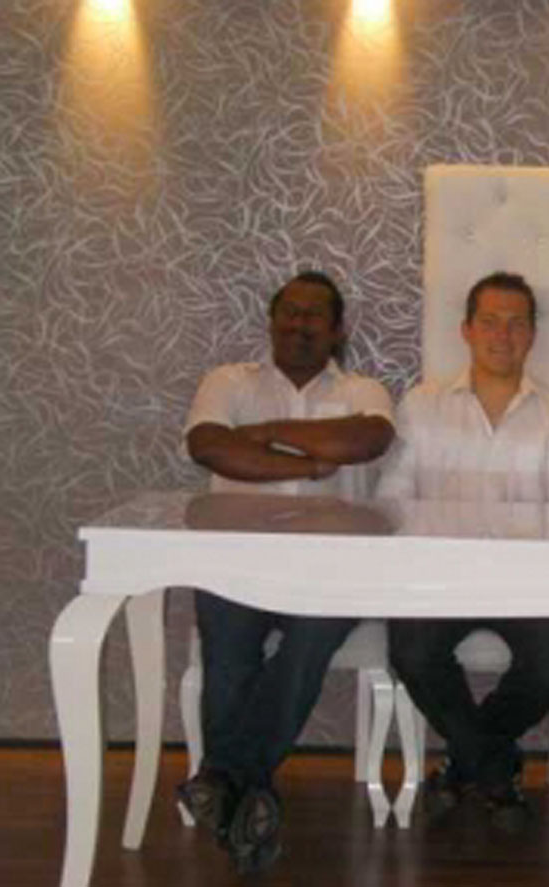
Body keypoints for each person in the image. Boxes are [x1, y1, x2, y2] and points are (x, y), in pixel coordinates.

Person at [178, 270, 395, 873]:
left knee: (308, 644)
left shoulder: (363, 390)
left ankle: (225, 778)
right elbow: (210, 448)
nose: (299, 324)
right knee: (229, 653)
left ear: (337, 330)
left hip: (334, 564)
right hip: (237, 557)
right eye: (289, 312)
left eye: (314, 315)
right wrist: (308, 464)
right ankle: (250, 793)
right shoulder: (228, 381)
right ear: (272, 320)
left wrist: (267, 436)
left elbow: (366, 441)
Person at [377, 271, 549, 830]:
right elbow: (393, 499)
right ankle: (495, 770)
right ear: (466, 330)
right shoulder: (422, 405)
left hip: (526, 584)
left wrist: (527, 574)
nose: (503, 334)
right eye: (490, 321)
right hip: (440, 578)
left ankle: (464, 765)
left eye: (516, 323)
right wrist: (439, 562)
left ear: (532, 335)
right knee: (412, 651)